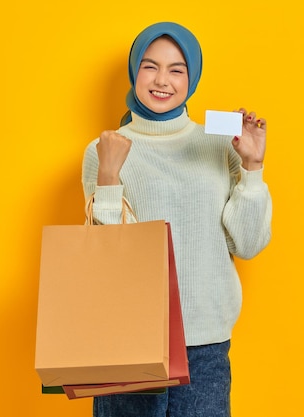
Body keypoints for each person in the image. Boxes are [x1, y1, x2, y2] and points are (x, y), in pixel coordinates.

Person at [81, 21, 272, 417]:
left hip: (206, 343)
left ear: (192, 77)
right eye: (150, 66)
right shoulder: (103, 150)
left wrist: (252, 167)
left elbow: (249, 244)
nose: (161, 80)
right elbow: (104, 258)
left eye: (176, 69)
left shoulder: (220, 144)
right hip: (128, 338)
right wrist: (109, 177)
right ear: (135, 72)